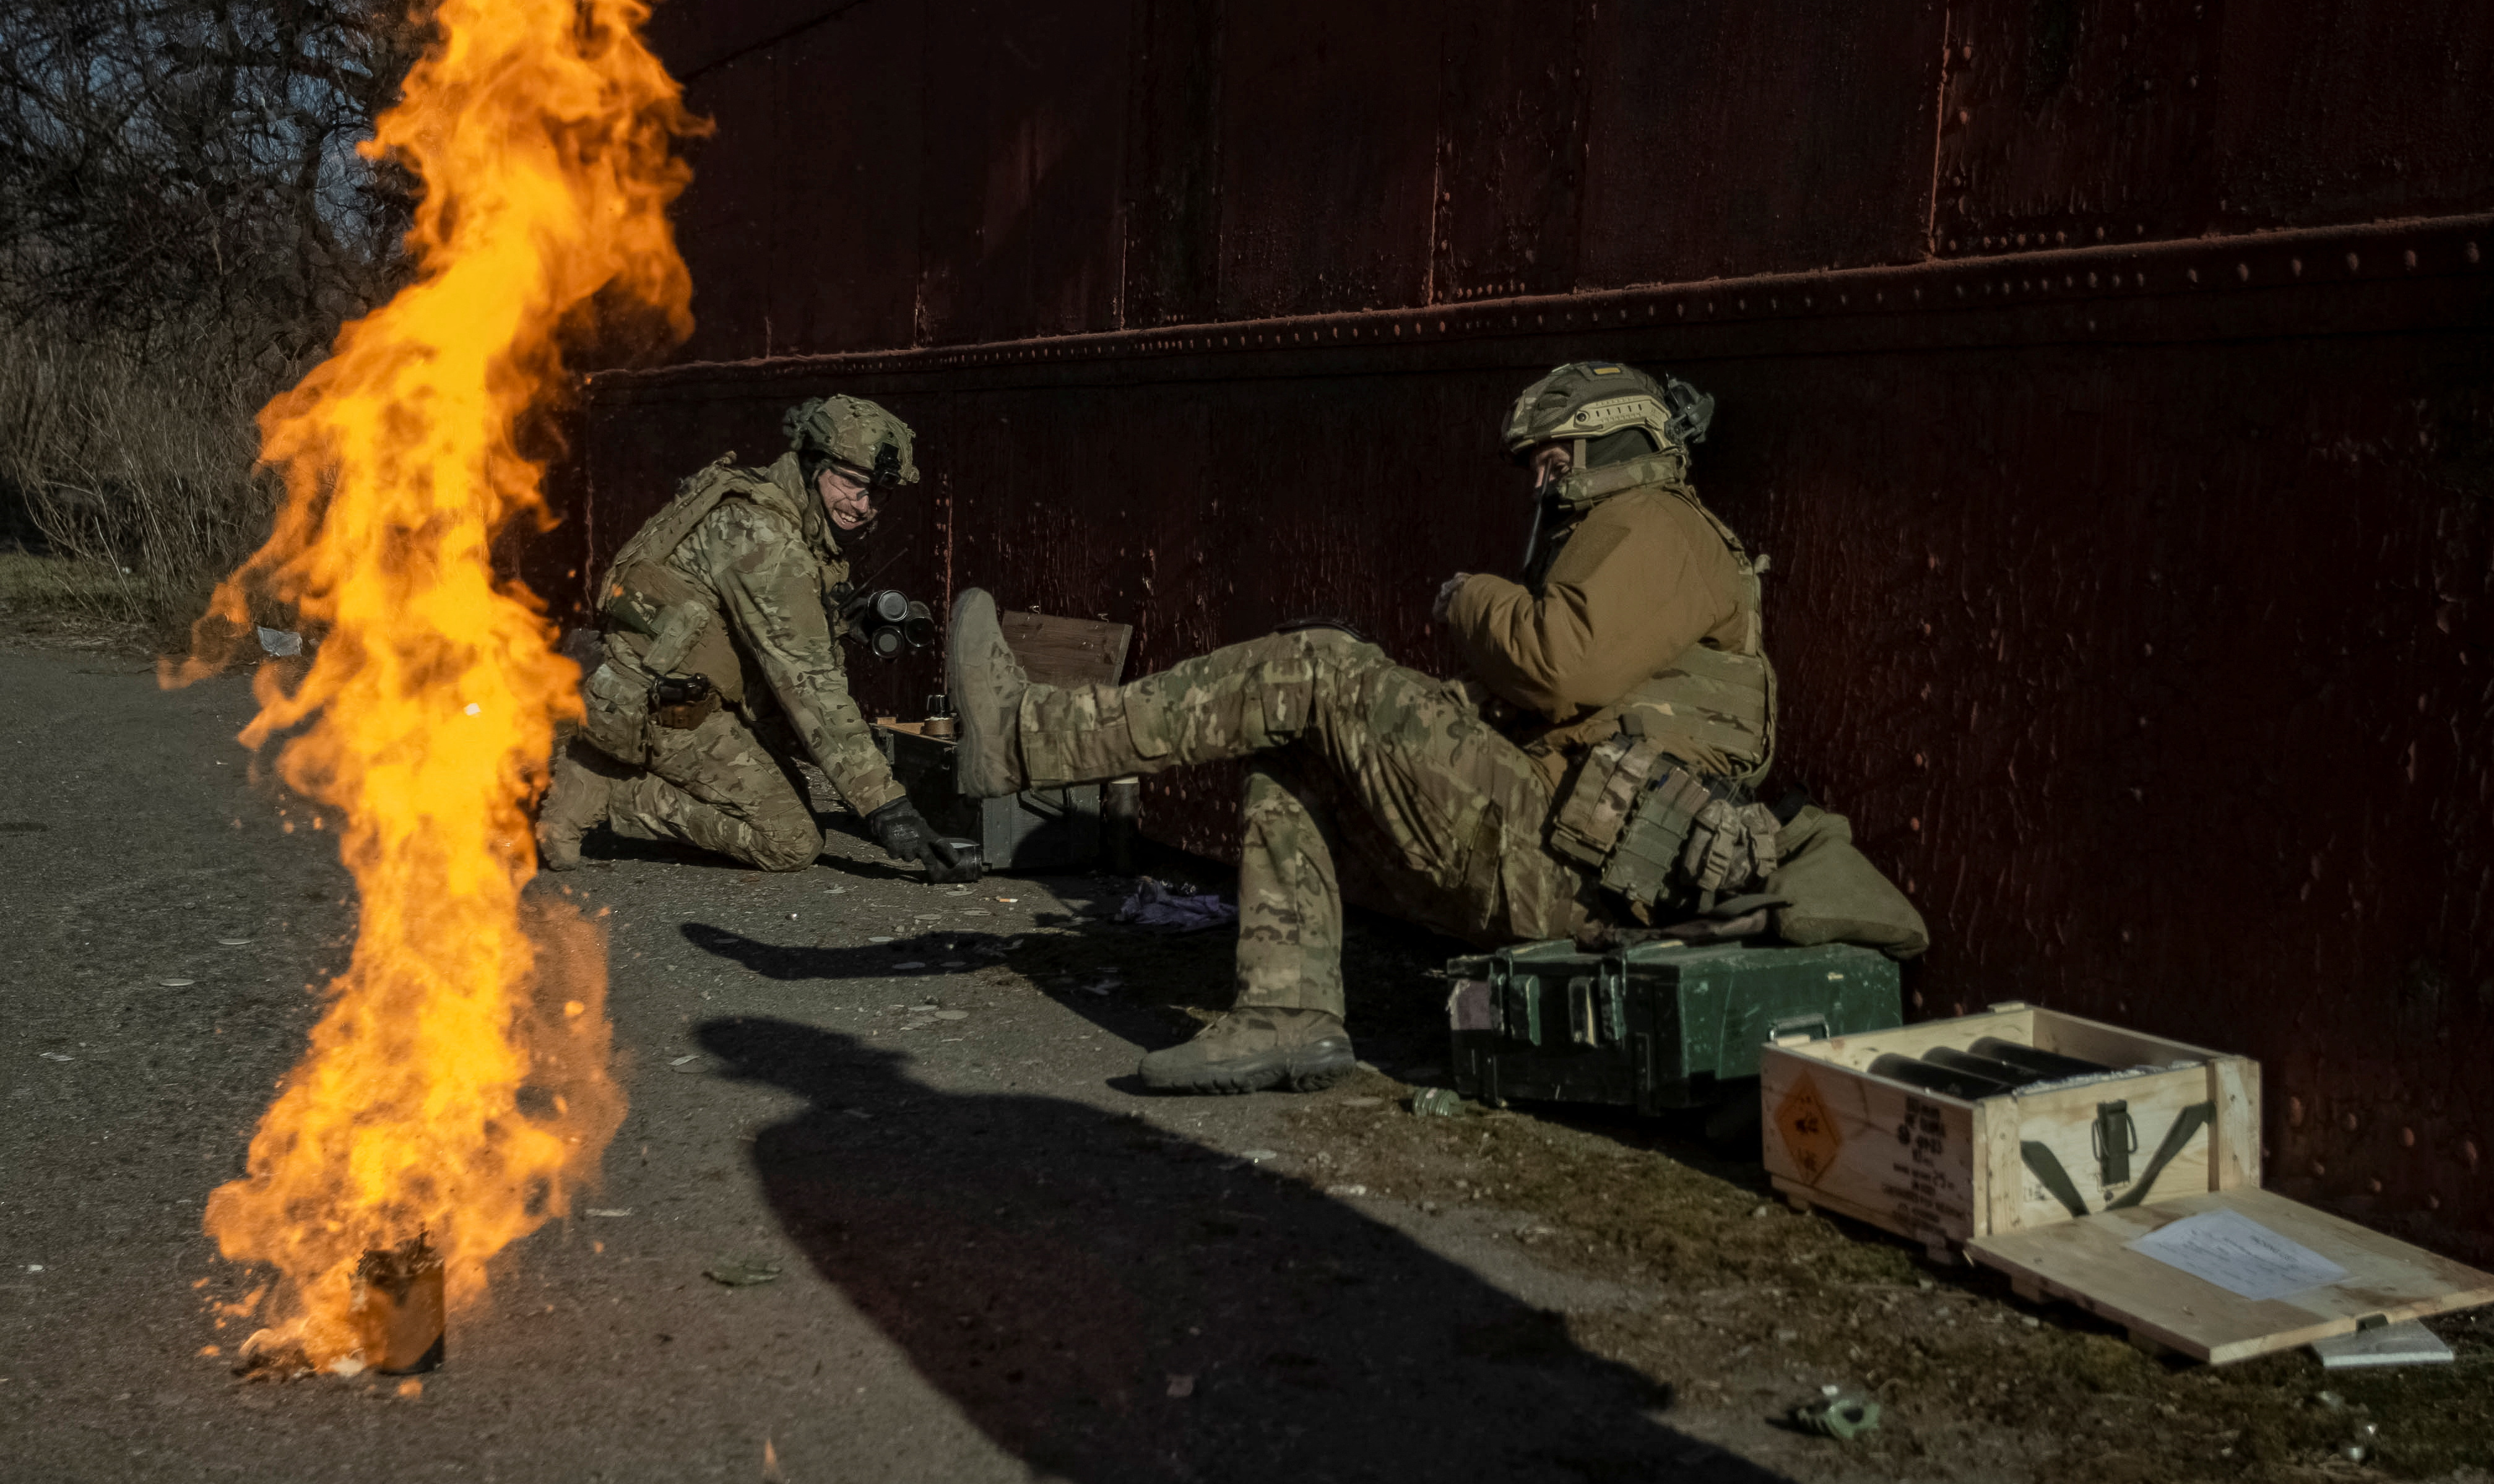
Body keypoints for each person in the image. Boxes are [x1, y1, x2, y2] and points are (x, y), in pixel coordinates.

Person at [943, 361, 1925, 1095]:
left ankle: (1026, 736)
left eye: (1551, 461)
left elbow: (1556, 663)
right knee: (1299, 750)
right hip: (1555, 856)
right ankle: (1286, 1019)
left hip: (1570, 870)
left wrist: (1467, 601)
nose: (1540, 484)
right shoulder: (1628, 543)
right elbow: (1548, 711)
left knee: (1316, 664)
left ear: (1607, 449)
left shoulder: (1655, 523)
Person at [537, 395, 974, 880]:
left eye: (880, 493)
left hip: (687, 694)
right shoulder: (762, 536)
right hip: (660, 711)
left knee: (803, 782)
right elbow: (809, 683)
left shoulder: (781, 511)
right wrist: (888, 810)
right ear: (813, 464)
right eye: (851, 482)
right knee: (792, 841)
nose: (864, 506)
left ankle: (598, 766)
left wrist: (841, 621)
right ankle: (607, 789)